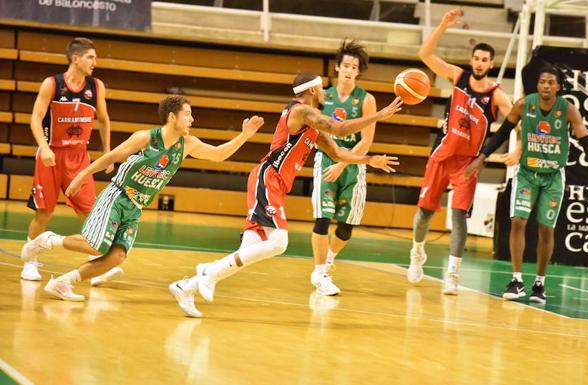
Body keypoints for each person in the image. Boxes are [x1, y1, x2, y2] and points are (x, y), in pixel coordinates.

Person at [169, 72, 402, 317]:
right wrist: (379, 115)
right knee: (279, 242)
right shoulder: (300, 111)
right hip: (269, 178)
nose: (324, 92)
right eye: (321, 88)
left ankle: (187, 287)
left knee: (250, 248)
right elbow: (340, 129)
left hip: (273, 183)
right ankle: (210, 272)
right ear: (312, 90)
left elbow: (337, 152)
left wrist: (369, 159)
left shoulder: (310, 125)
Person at [20, 95, 266, 302]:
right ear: (172, 116)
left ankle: (64, 282)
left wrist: (244, 135)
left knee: (117, 256)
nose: (192, 119)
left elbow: (219, 155)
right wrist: (81, 175)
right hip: (118, 195)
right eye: (188, 114)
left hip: (136, 207)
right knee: (95, 245)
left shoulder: (187, 144)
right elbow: (111, 157)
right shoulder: (145, 138)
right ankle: (49, 240)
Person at [464, 66, 588, 303]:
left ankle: (539, 284)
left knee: (546, 229)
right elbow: (503, 132)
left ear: (558, 87)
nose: (546, 85)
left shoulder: (568, 110)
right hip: (526, 173)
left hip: (553, 177)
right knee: (518, 221)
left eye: (550, 82)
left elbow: (586, 142)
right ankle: (516, 281)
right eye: (542, 81)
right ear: (537, 85)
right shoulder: (525, 105)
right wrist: (482, 158)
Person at [408, 8, 513, 295]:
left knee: (457, 218)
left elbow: (517, 121)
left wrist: (518, 150)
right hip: (442, 155)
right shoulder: (458, 77)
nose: (479, 63)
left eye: (484, 60)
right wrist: (443, 24)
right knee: (424, 215)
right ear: (472, 61)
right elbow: (425, 55)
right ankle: (417, 252)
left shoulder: (497, 95)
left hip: (467, 164)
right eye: (476, 58)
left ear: (491, 64)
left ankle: (452, 273)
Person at [21, 37, 119, 285]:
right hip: (51, 155)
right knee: (44, 213)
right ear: (76, 59)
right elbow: (35, 117)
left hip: (80, 159)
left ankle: (96, 269)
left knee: (91, 215)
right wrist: (43, 147)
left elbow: (104, 120)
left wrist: (107, 152)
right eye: (90, 57)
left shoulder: (96, 86)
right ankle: (30, 261)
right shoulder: (52, 84)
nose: (95, 62)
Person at [309, 40, 377, 296]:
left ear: (358, 72)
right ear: (337, 68)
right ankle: (320, 272)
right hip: (325, 160)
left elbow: (367, 140)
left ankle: (327, 259)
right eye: (345, 65)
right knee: (322, 219)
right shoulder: (322, 96)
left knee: (346, 227)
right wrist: (334, 159)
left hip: (352, 165)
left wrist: (343, 161)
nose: (349, 70)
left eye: (354, 67)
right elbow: (314, 131)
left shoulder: (366, 100)